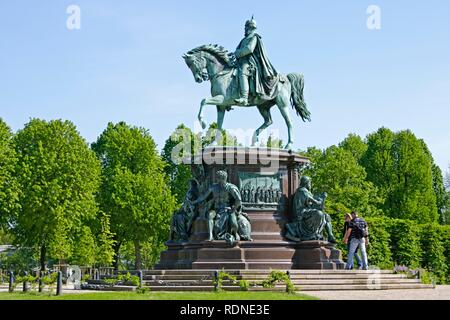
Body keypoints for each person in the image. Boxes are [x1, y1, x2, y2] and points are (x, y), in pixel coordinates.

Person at [231, 16, 278, 106]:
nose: (245, 29)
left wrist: (238, 53)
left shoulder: (254, 37)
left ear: (251, 28)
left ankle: (244, 98)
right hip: (241, 61)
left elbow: (249, 49)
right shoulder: (244, 39)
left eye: (246, 27)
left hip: (250, 62)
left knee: (242, 71)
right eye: (245, 27)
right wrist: (235, 54)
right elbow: (237, 49)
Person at [285, 176, 336, 242]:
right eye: (310, 183)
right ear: (306, 183)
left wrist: (321, 199)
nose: (310, 185)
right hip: (301, 213)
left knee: (326, 216)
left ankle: (330, 235)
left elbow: (314, 205)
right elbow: (317, 203)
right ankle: (313, 234)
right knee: (319, 214)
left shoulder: (306, 191)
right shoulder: (302, 190)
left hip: (306, 211)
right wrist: (323, 197)